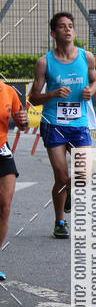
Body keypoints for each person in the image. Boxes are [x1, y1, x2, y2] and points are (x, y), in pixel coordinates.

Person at [29, 12, 96, 238]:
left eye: (70, 26)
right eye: (62, 26)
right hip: (54, 124)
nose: (67, 29)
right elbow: (33, 98)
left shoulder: (87, 57)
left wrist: (91, 91)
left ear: (74, 31)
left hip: (79, 124)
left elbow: (95, 80)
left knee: (83, 174)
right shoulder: (44, 62)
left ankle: (69, 191)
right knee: (60, 175)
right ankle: (60, 221)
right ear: (53, 33)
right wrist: (53, 93)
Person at [0, 84, 28, 279]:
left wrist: (23, 120)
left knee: (4, 207)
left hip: (2, 150)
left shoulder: (8, 91)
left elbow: (22, 124)